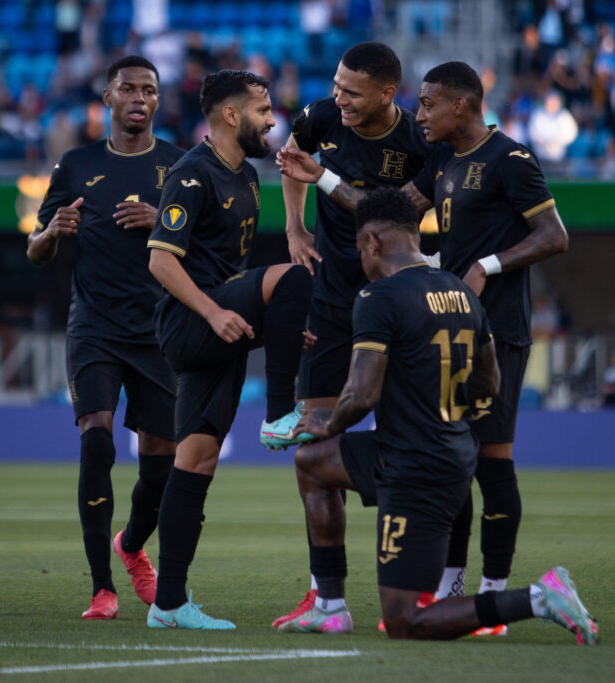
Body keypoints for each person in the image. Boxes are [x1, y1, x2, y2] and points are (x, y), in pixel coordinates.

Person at [278, 60, 570, 636]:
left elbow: (555, 236)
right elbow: (385, 214)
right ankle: (451, 587)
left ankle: (494, 595)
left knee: (492, 461)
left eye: (429, 104)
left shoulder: (510, 159)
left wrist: (485, 265)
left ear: (460, 104)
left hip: (498, 325)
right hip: (455, 315)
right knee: (461, 455)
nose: (420, 114)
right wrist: (323, 181)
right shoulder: (441, 161)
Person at [144, 69, 313, 630]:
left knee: (194, 461)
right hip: (192, 323)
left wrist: (280, 329)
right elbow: (161, 259)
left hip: (221, 334)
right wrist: (214, 312)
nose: (273, 120)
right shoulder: (193, 175)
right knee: (293, 279)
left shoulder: (247, 177)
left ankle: (168, 604)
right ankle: (279, 414)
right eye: (264, 110)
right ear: (231, 116)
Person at [272, 41, 433, 628]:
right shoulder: (319, 118)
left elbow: (398, 222)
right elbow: (292, 160)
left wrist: (328, 180)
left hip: (395, 305)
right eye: (336, 85)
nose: (336, 97)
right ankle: (326, 596)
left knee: (405, 446)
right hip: (331, 299)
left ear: (388, 94)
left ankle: (424, 584)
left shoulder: (418, 141)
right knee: (314, 452)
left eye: (351, 91)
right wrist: (293, 226)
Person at [27, 56, 185, 621]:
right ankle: (102, 588)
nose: (139, 97)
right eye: (128, 89)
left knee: (160, 466)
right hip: (93, 325)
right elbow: (36, 249)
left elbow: (205, 246)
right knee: (96, 442)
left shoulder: (179, 165)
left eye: (149, 89)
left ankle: (132, 545)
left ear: (157, 100)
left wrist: (162, 219)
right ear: (108, 98)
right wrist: (51, 232)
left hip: (158, 331)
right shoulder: (76, 164)